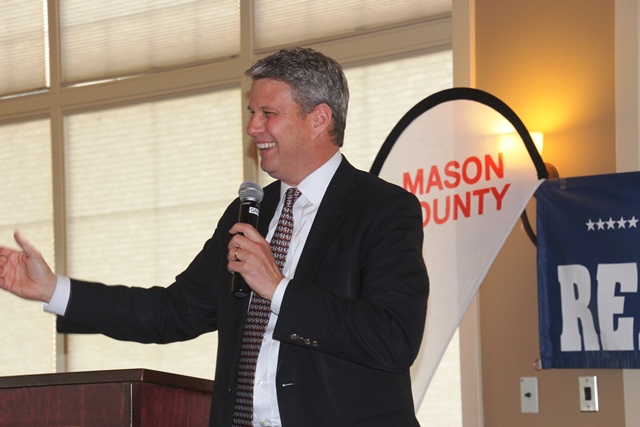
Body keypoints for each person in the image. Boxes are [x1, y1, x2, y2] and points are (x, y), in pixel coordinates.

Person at [0, 47, 429, 427]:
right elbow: (171, 312)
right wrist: (53, 288)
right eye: (251, 113)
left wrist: (278, 289)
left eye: (269, 114)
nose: (253, 128)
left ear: (318, 119)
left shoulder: (383, 210)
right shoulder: (250, 212)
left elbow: (393, 338)